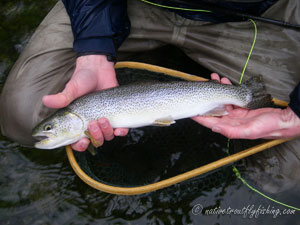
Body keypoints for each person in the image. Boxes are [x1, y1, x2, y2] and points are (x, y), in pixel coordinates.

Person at [0, 0, 299, 193]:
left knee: (281, 173)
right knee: (24, 116)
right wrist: (93, 47)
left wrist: (294, 114)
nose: (49, 133)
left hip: (255, 16)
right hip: (130, 5)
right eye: (53, 129)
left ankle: (243, 93)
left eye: (52, 129)